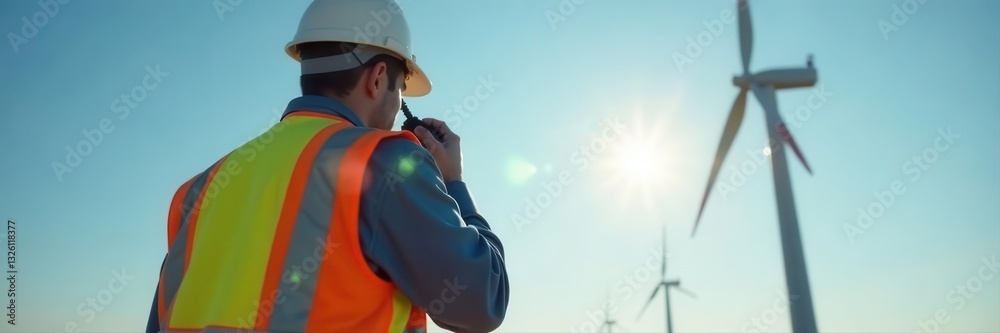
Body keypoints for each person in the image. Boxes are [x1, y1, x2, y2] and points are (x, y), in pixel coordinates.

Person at [144, 0, 509, 332]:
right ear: (378, 78)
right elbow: (482, 302)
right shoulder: (384, 162)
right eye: (400, 90)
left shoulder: (200, 188)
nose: (399, 106)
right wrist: (454, 182)